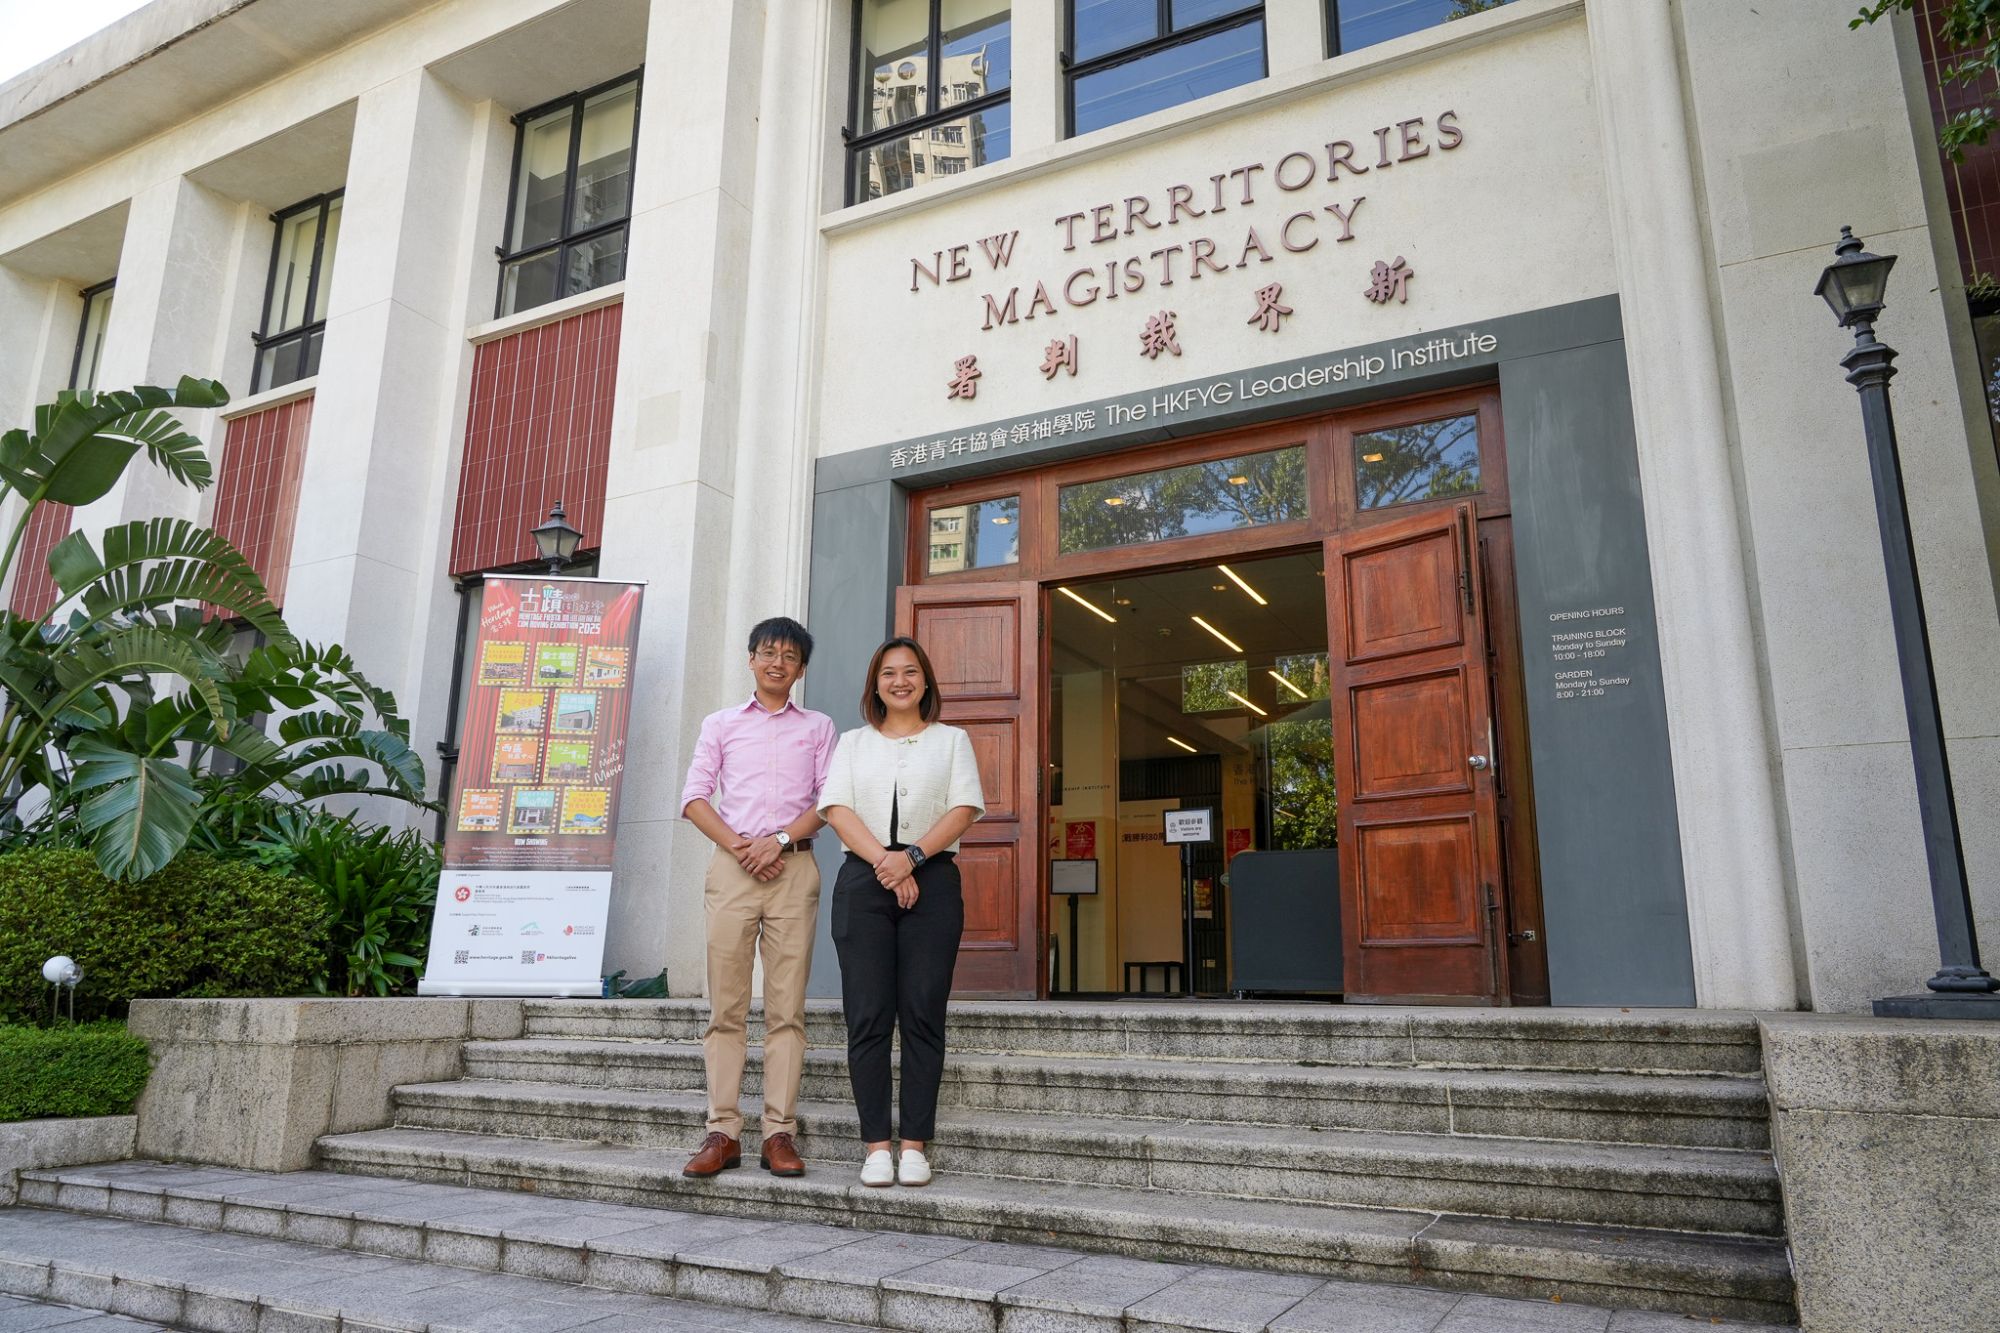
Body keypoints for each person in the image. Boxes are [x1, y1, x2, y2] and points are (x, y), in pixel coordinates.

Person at [818, 636, 984, 1187]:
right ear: (876, 684)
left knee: (922, 1013)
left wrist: (909, 859)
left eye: (910, 671)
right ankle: (875, 1146)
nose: (900, 681)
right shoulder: (852, 743)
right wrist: (886, 864)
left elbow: (964, 808)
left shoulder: (952, 741)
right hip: (863, 884)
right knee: (867, 1016)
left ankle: (914, 1145)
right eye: (889, 673)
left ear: (926, 680)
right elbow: (837, 810)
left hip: (932, 880)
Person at [676, 616, 836, 1180]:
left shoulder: (818, 727)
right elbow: (694, 798)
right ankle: (722, 1131)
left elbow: (830, 800)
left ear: (801, 668)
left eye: (789, 656)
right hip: (733, 869)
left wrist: (780, 841)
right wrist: (743, 847)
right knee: (727, 1007)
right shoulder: (720, 724)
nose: (777, 663)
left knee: (787, 1010)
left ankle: (778, 1134)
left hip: (794, 869)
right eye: (768, 652)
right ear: (751, 659)